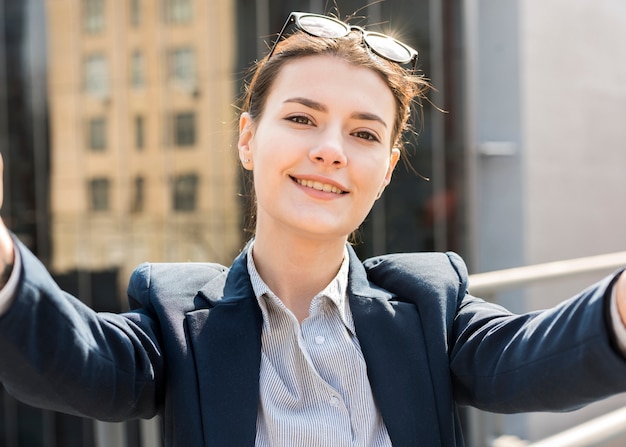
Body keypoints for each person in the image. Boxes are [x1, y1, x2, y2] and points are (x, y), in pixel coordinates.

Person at [1, 11, 626, 447]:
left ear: (384, 170)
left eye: (363, 134)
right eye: (302, 118)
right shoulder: (176, 315)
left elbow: (534, 358)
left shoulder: (427, 301)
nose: (331, 151)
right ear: (248, 139)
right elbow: (73, 359)